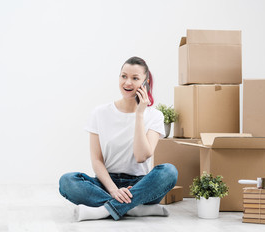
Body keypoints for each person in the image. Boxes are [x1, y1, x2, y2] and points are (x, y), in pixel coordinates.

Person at [59, 56, 178, 221]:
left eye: (135, 78)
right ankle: (132, 208)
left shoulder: (155, 116)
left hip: (140, 185)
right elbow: (96, 160)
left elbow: (141, 156)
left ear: (146, 82)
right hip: (107, 183)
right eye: (124, 76)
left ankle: (105, 210)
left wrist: (139, 114)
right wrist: (114, 190)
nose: (127, 83)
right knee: (67, 181)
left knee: (169, 171)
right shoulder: (99, 113)